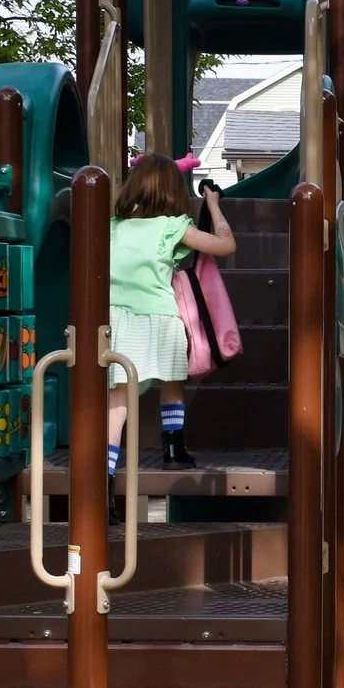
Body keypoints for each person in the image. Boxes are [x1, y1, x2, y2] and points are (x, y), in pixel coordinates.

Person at [107, 154, 236, 472]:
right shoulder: (172, 227)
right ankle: (173, 450)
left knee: (118, 399)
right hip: (162, 319)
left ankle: (105, 472)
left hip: (117, 319)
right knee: (172, 382)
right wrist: (213, 204)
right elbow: (225, 244)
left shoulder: (113, 227)